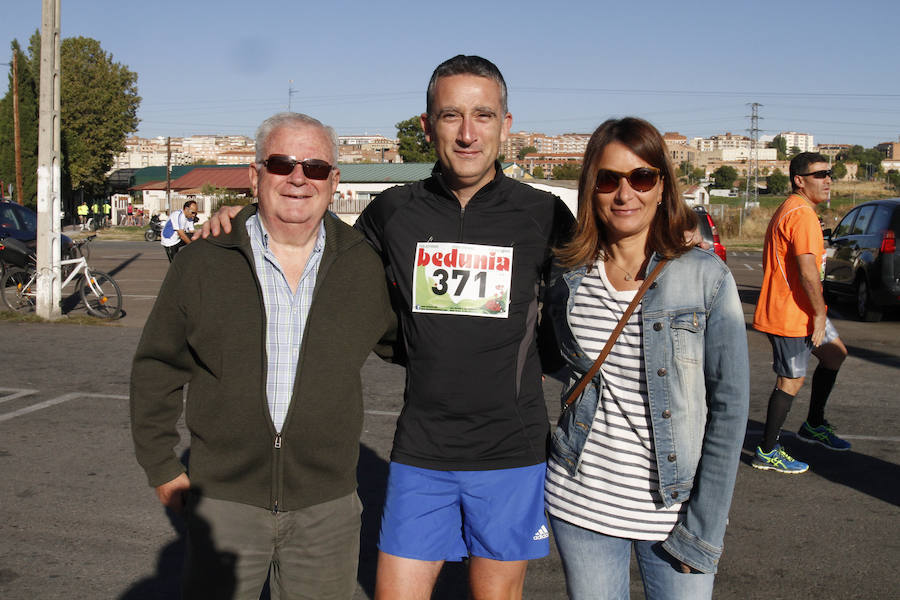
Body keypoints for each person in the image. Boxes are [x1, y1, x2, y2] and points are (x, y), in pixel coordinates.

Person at [200, 55, 575, 600]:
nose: (468, 134)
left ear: (506, 125)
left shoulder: (544, 215)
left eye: (483, 116)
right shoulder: (393, 211)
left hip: (510, 453)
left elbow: (603, 280)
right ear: (427, 126)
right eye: (451, 116)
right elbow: (309, 232)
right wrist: (241, 216)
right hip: (421, 452)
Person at [130, 112, 396, 600]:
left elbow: (414, 343)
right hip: (224, 505)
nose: (299, 178)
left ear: (334, 182)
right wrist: (162, 467)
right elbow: (156, 367)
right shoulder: (203, 261)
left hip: (327, 509)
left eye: (315, 167)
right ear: (255, 176)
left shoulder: (364, 266)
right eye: (281, 163)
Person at [543, 117, 749, 599]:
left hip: (675, 513)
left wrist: (704, 526)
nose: (624, 194)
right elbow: (549, 362)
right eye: (608, 179)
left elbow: (730, 409)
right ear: (590, 189)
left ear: (662, 186)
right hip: (581, 503)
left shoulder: (705, 277)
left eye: (641, 177)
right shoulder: (569, 273)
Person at [751, 152, 849, 474]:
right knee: (790, 380)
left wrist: (816, 312)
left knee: (834, 355)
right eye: (820, 174)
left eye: (829, 173)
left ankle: (814, 425)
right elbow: (808, 273)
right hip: (790, 312)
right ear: (799, 180)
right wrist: (820, 315)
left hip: (804, 309)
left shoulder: (799, 209)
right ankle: (766, 451)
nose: (828, 180)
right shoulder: (801, 214)